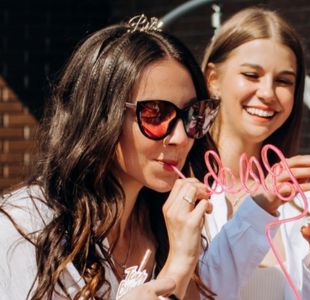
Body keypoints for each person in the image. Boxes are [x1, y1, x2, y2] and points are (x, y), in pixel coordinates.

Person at [0, 18, 220, 299]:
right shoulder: (26, 227)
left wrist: (185, 260)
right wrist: (175, 271)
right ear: (101, 117)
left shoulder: (167, 223)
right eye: (155, 114)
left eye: (194, 115)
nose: (181, 137)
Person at [200, 8, 310, 299]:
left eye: (284, 81)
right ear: (213, 79)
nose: (267, 93)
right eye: (252, 75)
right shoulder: (180, 192)